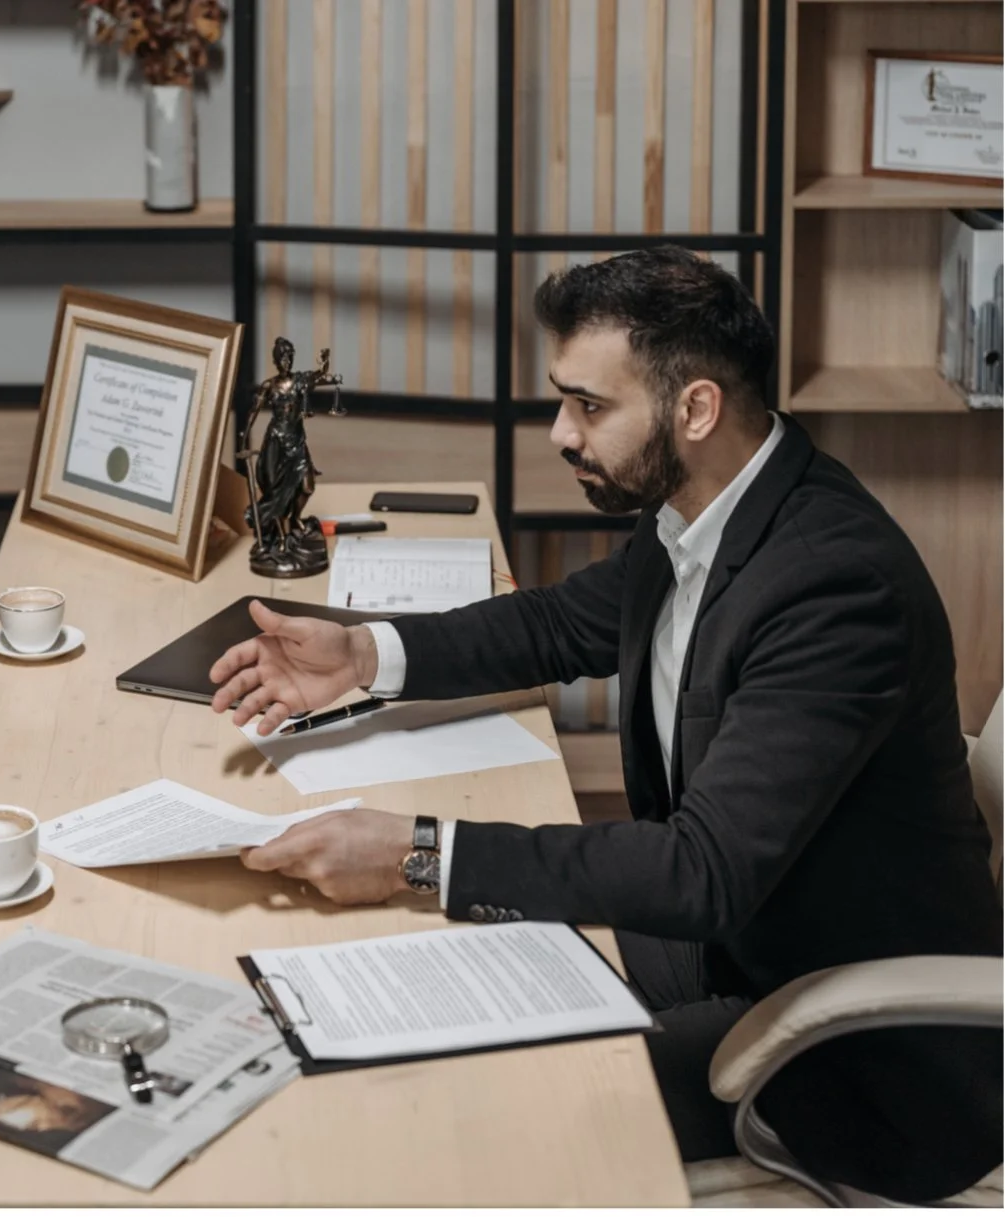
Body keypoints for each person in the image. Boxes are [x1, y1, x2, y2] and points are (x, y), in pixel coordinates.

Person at [207, 247, 1002, 1202]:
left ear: (694, 409)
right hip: (742, 936)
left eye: (589, 406)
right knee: (413, 974)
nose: (560, 432)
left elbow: (698, 870)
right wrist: (361, 655)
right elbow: (556, 624)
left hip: (861, 1055)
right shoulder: (707, 510)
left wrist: (414, 850)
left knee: (465, 1104)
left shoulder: (833, 585)